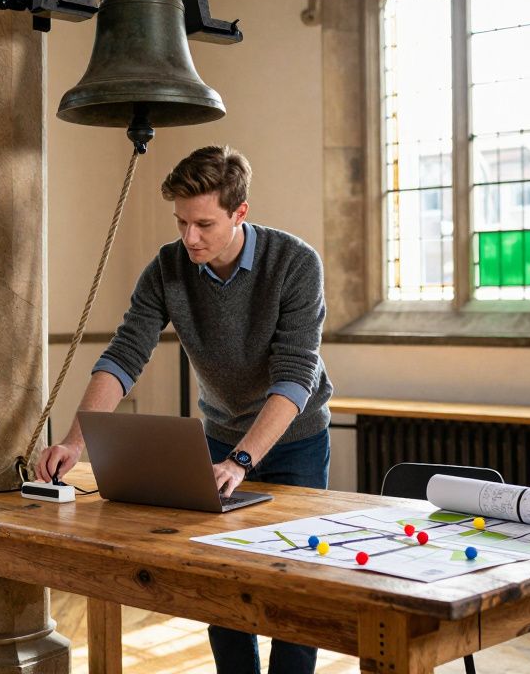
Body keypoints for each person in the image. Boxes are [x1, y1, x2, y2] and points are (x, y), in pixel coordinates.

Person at [36, 144, 333, 674]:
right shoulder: (169, 267)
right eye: (181, 223)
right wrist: (72, 442)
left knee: (296, 590)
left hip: (295, 441)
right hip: (218, 435)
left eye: (204, 224)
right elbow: (124, 354)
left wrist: (242, 462)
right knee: (220, 588)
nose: (189, 238)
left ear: (240, 213)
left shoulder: (294, 263)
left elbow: (296, 374)